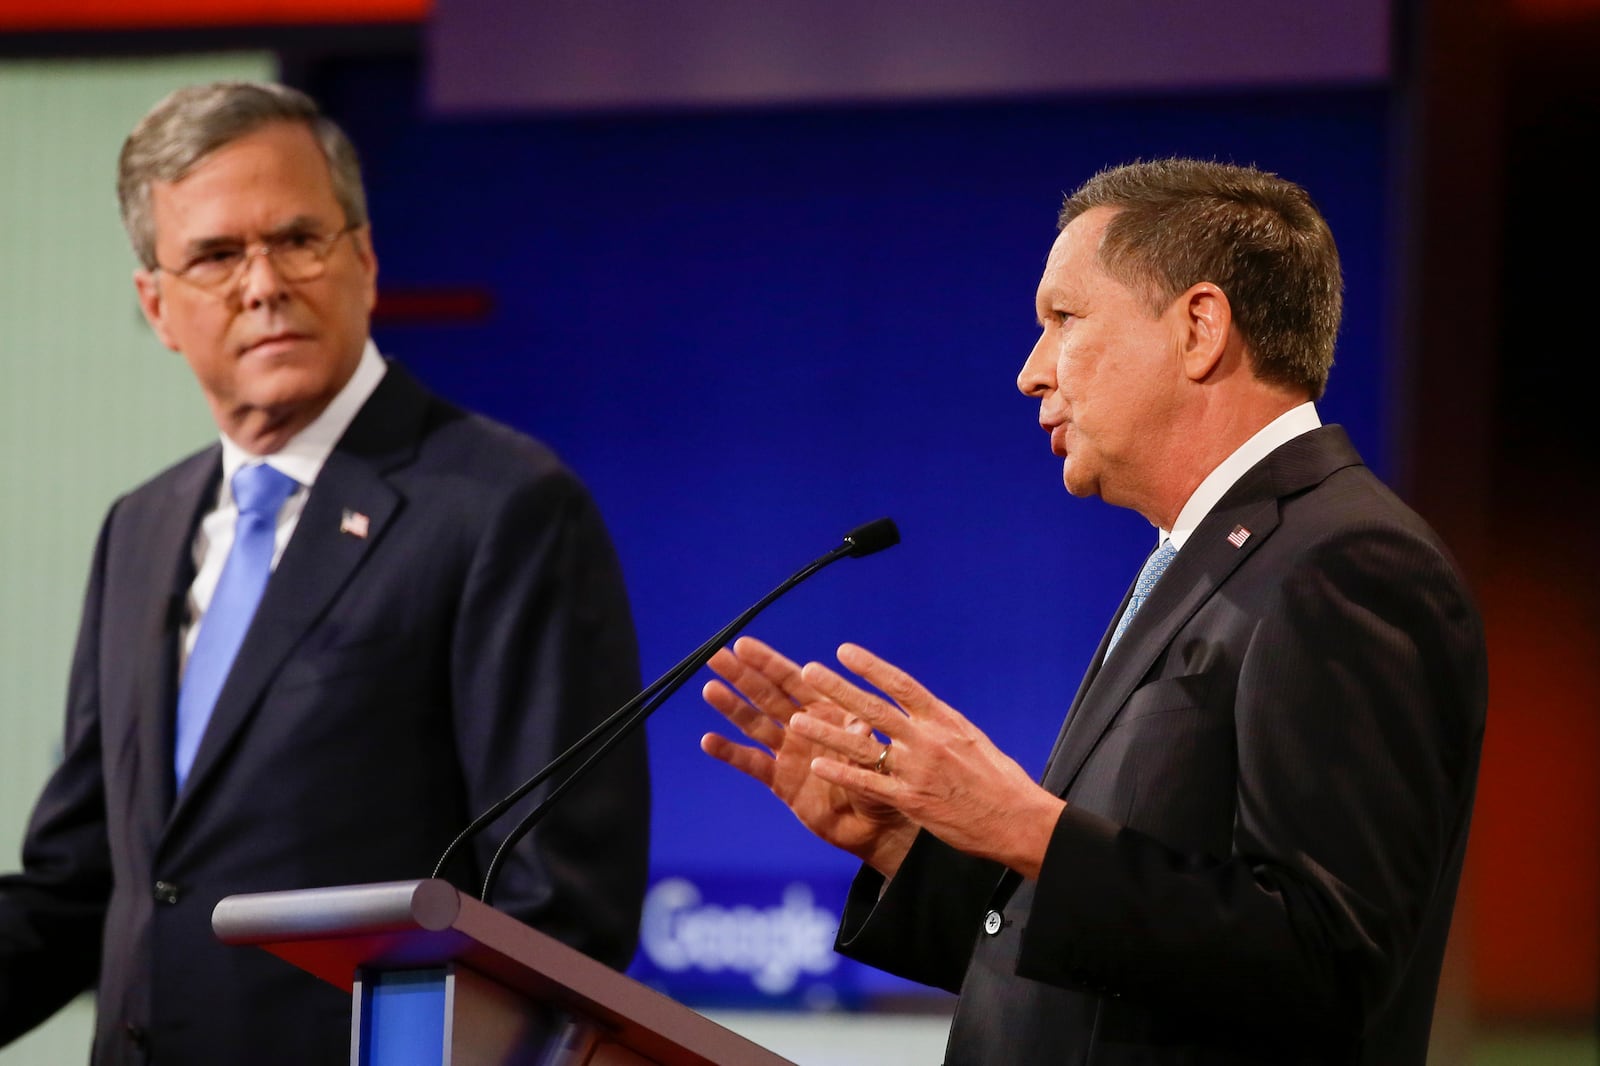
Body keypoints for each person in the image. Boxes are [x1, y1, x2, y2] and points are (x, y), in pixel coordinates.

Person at [701, 158, 1487, 1064]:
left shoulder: (1347, 563)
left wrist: (1029, 827)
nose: (1032, 372)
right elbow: (1110, 973)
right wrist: (906, 843)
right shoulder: (1200, 557)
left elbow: (1330, 963)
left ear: (1199, 328)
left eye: (1063, 320)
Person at [0, 81, 649, 1065]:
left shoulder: (500, 506)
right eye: (216, 255)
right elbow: (82, 884)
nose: (262, 284)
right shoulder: (140, 526)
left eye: (296, 239)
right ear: (157, 304)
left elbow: (557, 917)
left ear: (365, 259)